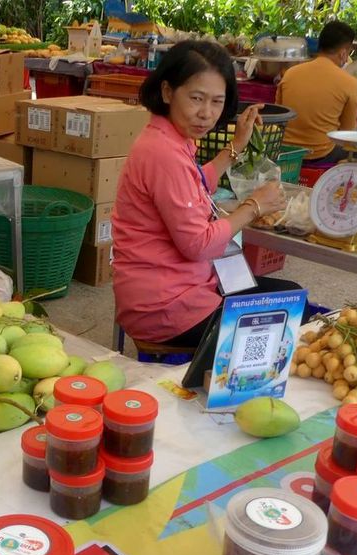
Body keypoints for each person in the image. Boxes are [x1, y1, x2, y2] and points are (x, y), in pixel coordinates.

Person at [111, 40, 292, 347]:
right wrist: (253, 207)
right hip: (166, 308)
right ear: (168, 92)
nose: (206, 114)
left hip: (174, 291)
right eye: (196, 98)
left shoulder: (168, 136)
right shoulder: (163, 153)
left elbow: (194, 183)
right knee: (287, 314)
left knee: (287, 294)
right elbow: (198, 245)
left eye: (217, 102)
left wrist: (236, 147)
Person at [276, 21, 357, 162]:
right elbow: (347, 133)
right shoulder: (350, 83)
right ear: (344, 53)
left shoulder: (290, 73)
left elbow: (279, 116)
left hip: (284, 151)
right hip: (321, 153)